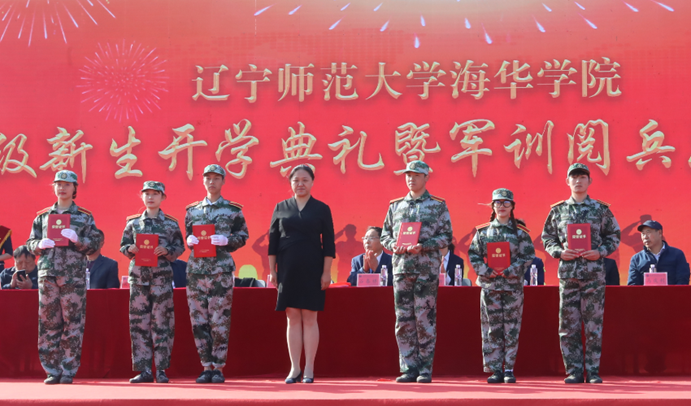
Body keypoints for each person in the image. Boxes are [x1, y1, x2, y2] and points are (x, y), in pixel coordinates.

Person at [542, 163, 620, 384]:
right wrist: (559, 252)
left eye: (582, 177)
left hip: (594, 275)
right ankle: (574, 371)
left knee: (593, 325)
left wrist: (600, 252)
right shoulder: (558, 211)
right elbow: (547, 238)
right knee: (568, 326)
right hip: (569, 275)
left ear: (590, 181)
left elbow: (614, 236)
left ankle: (593, 371)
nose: (578, 181)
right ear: (567, 181)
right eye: (574, 177)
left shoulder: (600, 209)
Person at [380, 160, 453, 384]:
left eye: (416, 175)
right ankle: (408, 368)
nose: (411, 179)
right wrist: (394, 246)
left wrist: (425, 245)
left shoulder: (437, 205)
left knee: (424, 319)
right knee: (403, 320)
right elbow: (385, 235)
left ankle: (425, 369)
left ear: (426, 177)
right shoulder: (396, 206)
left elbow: (446, 236)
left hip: (425, 270)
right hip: (402, 270)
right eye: (408, 175)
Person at [26, 170, 102, 384]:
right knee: (48, 321)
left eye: (67, 184)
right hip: (48, 275)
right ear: (54, 187)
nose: (62, 188)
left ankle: (68, 369)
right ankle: (52, 369)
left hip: (73, 277)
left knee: (73, 322)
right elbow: (30, 242)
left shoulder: (84, 216)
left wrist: (78, 240)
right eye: (58, 184)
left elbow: (95, 243)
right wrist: (38, 245)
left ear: (74, 188)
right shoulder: (43, 216)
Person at [268, 164, 335, 384]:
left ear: (312, 182)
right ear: (290, 183)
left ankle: (309, 368)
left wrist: (326, 272)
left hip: (313, 268)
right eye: (296, 180)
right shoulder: (281, 207)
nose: (300, 184)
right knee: (292, 316)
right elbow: (273, 242)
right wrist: (272, 271)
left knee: (310, 316)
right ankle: (294, 368)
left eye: (305, 180)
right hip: (287, 269)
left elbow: (329, 244)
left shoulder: (321, 208)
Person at [185, 164, 249, 384]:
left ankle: (218, 367)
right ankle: (205, 366)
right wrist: (189, 241)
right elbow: (188, 234)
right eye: (208, 178)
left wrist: (227, 240)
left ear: (223, 181)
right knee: (199, 320)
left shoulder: (233, 210)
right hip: (196, 272)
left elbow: (243, 235)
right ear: (203, 181)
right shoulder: (192, 211)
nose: (211, 182)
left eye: (216, 178)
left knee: (219, 320)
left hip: (220, 271)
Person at [120, 181, 184, 384]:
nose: (150, 197)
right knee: (139, 323)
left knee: (162, 323)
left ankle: (162, 369)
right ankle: (144, 369)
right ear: (141, 196)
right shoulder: (133, 223)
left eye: (155, 194)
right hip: (139, 279)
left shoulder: (171, 224)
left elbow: (180, 247)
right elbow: (123, 245)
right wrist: (129, 249)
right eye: (147, 193)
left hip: (161, 279)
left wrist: (167, 251)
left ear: (162, 197)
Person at [469, 188, 535, 384]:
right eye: (498, 203)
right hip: (490, 287)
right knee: (492, 328)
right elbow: (473, 255)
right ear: (492, 206)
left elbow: (528, 255)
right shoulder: (483, 232)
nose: (502, 206)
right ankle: (495, 369)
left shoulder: (520, 233)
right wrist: (486, 270)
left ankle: (509, 369)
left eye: (506, 203)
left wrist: (510, 270)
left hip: (512, 286)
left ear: (512, 206)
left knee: (511, 328)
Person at [627, 220, 689, 286]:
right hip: (645, 293)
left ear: (659, 233)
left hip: (671, 292)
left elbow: (682, 281)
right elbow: (632, 285)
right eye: (643, 233)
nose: (645, 237)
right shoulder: (637, 259)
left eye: (648, 232)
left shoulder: (677, 254)